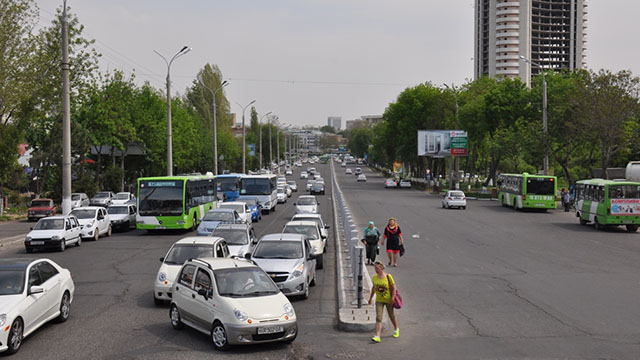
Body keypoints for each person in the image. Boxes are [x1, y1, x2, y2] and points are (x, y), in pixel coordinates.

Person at [368, 261, 399, 343]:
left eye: (377, 268)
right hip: (379, 300)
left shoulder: (388, 276)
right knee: (379, 317)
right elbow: (374, 288)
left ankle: (396, 329)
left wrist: (392, 298)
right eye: (375, 268)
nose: (376, 270)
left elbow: (394, 288)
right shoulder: (374, 277)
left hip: (388, 300)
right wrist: (370, 298)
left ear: (382, 268)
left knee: (391, 315)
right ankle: (378, 336)